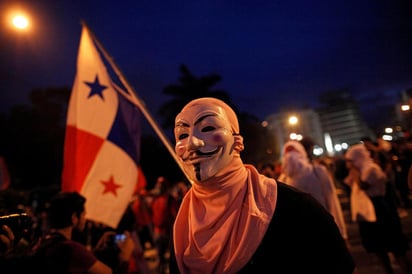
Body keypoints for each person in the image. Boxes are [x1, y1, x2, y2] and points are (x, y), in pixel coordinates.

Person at [169, 97, 356, 274]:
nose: (192, 143)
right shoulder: (183, 224)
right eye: (182, 135)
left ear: (237, 141)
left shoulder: (295, 207)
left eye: (208, 128)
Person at [344, 143, 412, 274]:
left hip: (380, 210)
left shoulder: (372, 169)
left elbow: (363, 185)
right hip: (368, 213)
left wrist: (355, 171)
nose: (350, 164)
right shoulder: (361, 170)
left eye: (351, 160)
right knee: (378, 248)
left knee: (395, 247)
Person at [33, 192, 134, 273]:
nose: (85, 219)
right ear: (74, 218)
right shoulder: (72, 249)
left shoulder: (44, 242)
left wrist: (97, 252)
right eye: (83, 215)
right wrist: (124, 258)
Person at [278, 140, 348, 242]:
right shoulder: (282, 180)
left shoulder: (318, 171)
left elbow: (332, 201)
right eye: (287, 153)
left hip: (323, 226)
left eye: (294, 152)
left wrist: (340, 230)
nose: (291, 156)